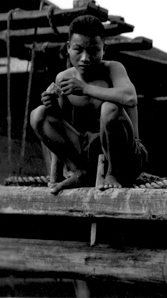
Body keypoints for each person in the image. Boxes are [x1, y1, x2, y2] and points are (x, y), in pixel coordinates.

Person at [30, 15, 147, 194]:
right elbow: (61, 128)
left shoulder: (113, 69)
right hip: (88, 153)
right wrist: (51, 104)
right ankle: (80, 172)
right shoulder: (64, 78)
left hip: (127, 156)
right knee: (39, 114)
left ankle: (112, 174)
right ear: (68, 48)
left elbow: (130, 97)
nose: (85, 58)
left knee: (110, 108)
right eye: (78, 50)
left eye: (93, 50)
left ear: (103, 49)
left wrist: (85, 88)